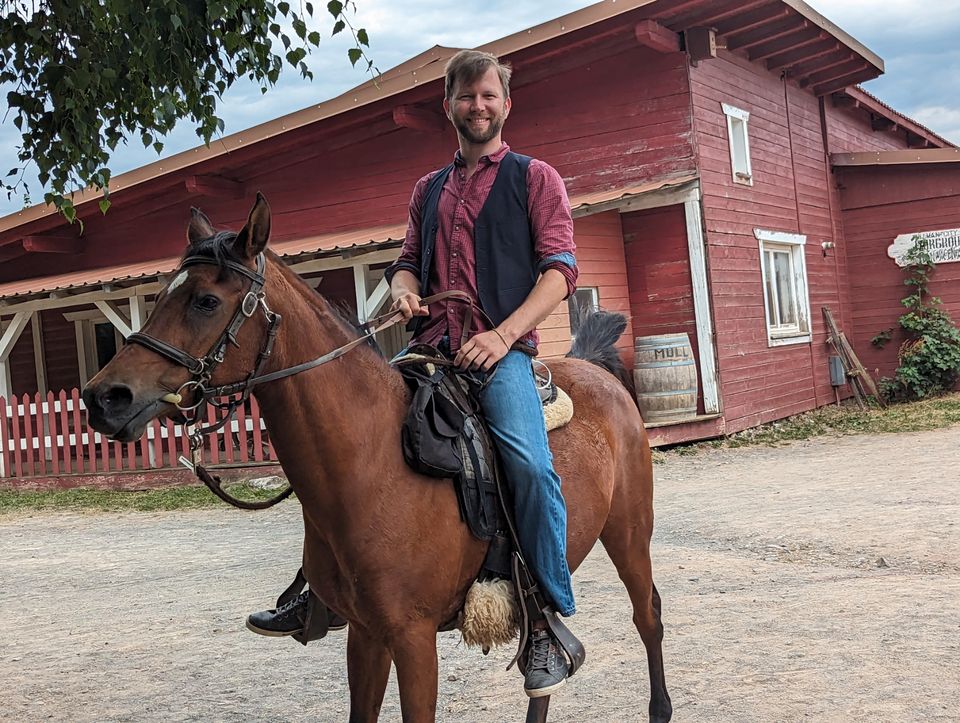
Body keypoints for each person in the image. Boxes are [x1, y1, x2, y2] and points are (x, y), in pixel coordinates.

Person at [246, 48, 580, 698]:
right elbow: (407, 260)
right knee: (345, 444)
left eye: (488, 95)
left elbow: (560, 272)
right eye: (466, 96)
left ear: (505, 104)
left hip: (500, 353)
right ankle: (317, 585)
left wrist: (504, 334)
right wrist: (403, 289)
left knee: (531, 466)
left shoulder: (535, 178)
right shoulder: (428, 190)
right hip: (428, 347)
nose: (477, 106)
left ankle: (544, 616)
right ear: (448, 105)